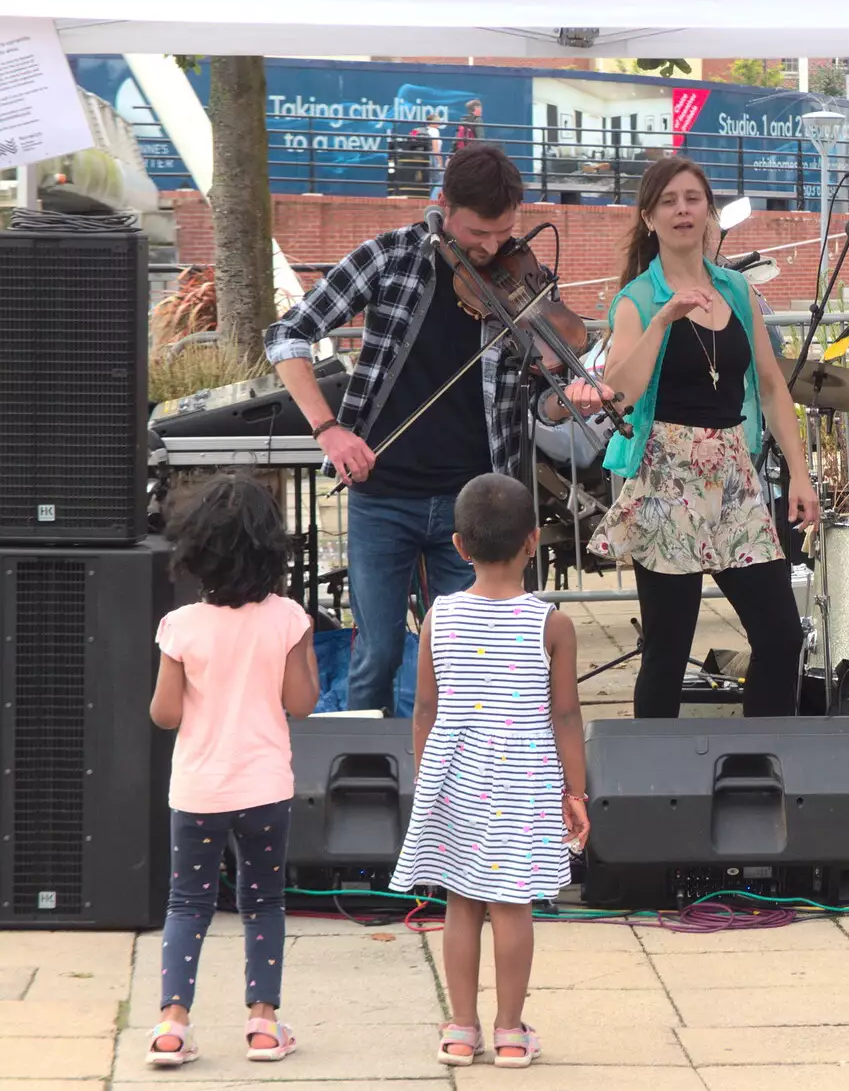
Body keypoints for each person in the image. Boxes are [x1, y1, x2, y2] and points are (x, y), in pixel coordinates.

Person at [265, 144, 611, 715]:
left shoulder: (524, 279)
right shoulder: (390, 256)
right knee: (377, 652)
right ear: (443, 207)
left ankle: (459, 779)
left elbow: (541, 404)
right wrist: (328, 430)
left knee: (470, 657)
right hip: (384, 495)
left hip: (472, 501)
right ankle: (366, 778)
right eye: (477, 232)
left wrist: (567, 397)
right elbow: (287, 335)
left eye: (505, 233)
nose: (492, 248)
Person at [574, 156, 820, 719]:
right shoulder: (638, 298)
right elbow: (619, 391)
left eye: (693, 198)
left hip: (734, 476)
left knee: (781, 635)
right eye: (669, 201)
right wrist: (663, 320)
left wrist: (800, 473)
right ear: (649, 216)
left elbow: (772, 386)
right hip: (667, 478)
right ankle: (656, 788)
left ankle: (763, 763)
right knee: (668, 648)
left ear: (709, 210)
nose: (683, 209)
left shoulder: (735, 288)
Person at [389, 473, 588, 1069]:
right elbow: (566, 715)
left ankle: (459, 1028)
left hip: (455, 775)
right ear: (534, 541)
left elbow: (425, 708)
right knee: (512, 905)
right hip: (523, 776)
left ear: (459, 546)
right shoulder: (551, 624)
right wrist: (574, 790)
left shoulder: (438, 618)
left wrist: (428, 777)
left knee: (460, 903)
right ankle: (508, 1032)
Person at [144, 473, 320, 1067]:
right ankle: (263, 1025)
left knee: (187, 903)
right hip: (265, 786)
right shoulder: (288, 617)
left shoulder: (181, 627)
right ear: (272, 547)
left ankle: (172, 1025)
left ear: (195, 549)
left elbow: (164, 714)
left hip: (197, 788)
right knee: (263, 900)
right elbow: (300, 703)